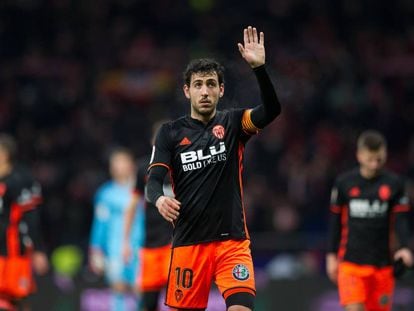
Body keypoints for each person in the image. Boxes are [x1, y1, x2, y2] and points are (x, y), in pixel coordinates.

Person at [146, 26, 281, 311]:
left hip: (231, 243)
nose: (204, 91)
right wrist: (158, 199)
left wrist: (260, 70)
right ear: (187, 91)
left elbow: (271, 110)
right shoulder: (170, 133)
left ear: (221, 89)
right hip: (188, 244)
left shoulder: (233, 124)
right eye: (198, 85)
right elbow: (153, 181)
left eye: (210, 84)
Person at [326, 130, 413, 311]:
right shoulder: (344, 183)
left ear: (385, 155)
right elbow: (335, 222)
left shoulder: (395, 184)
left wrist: (405, 248)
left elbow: (401, 220)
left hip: (382, 266)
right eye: (370, 159)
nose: (374, 164)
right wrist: (331, 255)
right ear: (359, 155)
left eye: (379, 159)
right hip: (351, 264)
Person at [123, 121, 173, 311]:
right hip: (150, 245)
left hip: (175, 243)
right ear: (153, 140)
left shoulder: (182, 165)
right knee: (148, 302)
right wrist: (126, 241)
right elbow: (132, 205)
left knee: (179, 296)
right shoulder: (143, 167)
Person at [89, 147, 145, 311]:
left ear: (131, 165)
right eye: (115, 163)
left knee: (141, 289)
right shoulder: (105, 193)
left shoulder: (143, 191)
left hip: (140, 248)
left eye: (123, 162)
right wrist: (95, 250)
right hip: (115, 249)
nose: (119, 166)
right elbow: (99, 224)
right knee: (118, 288)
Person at [0, 134, 49, 311]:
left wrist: (39, 249)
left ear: (5, 154)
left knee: (17, 297)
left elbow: (31, 217)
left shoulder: (21, 180)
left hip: (14, 250)